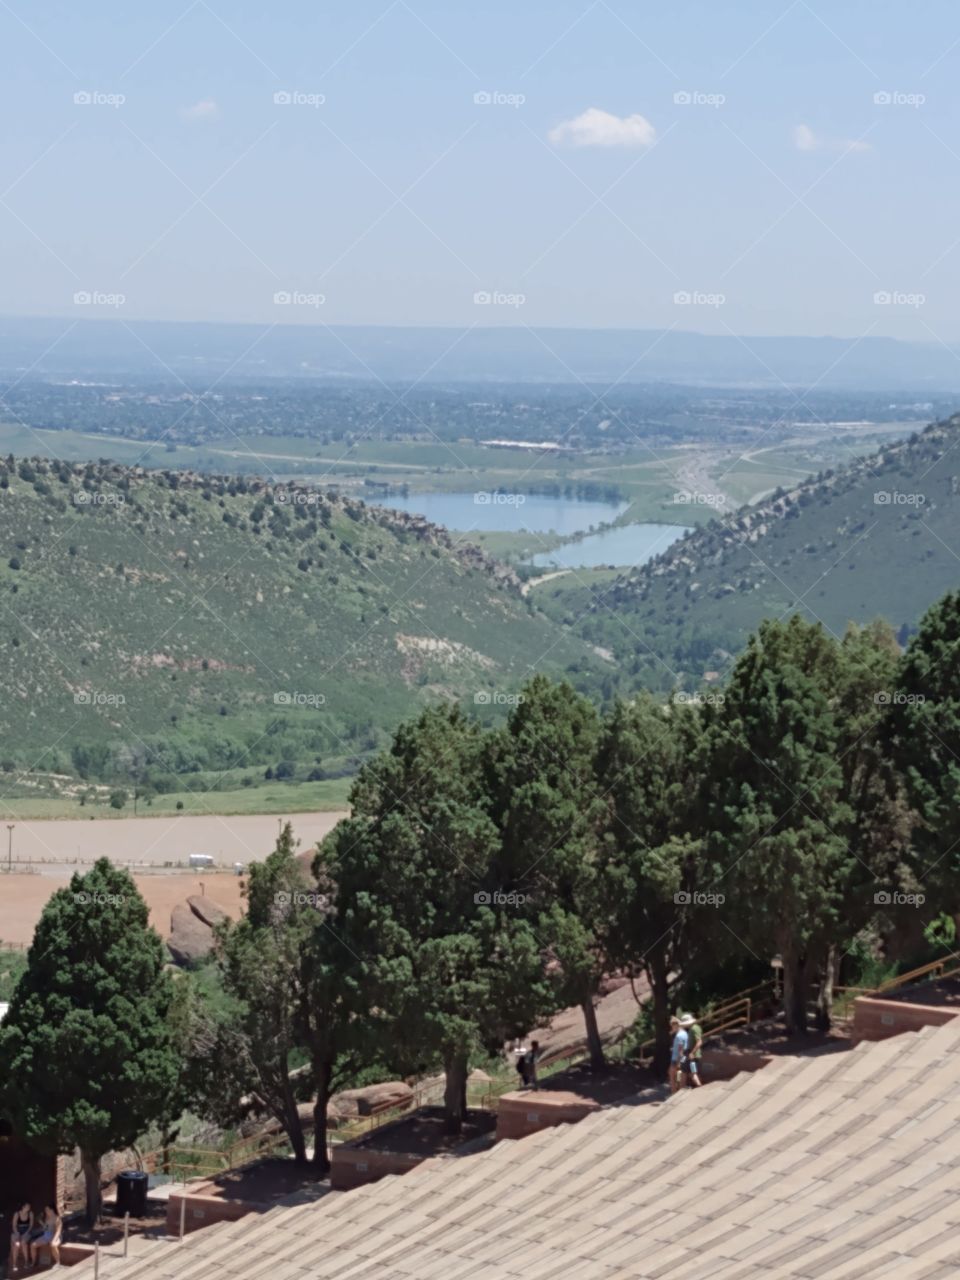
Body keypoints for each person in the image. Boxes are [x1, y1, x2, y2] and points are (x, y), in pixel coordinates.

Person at [29, 1203, 61, 1270]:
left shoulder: (57, 1219)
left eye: (47, 1209)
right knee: (32, 1245)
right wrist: (41, 1222)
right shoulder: (47, 1217)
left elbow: (58, 1231)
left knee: (53, 1245)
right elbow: (46, 1228)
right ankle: (33, 1262)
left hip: (56, 1236)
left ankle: (58, 1263)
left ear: (51, 1210)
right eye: (45, 1209)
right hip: (46, 1235)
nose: (45, 1211)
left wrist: (53, 1240)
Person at [680, 1012, 703, 1088]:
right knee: (690, 1071)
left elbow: (699, 1042)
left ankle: (683, 1087)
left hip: (691, 1055)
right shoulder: (692, 1028)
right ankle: (698, 1085)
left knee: (686, 1071)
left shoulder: (694, 1028)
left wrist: (692, 1053)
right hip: (691, 1055)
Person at [9, 1202, 33, 1274]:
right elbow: (14, 1225)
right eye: (27, 1206)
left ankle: (26, 1262)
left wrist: (26, 1233)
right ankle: (14, 1264)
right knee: (16, 1245)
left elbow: (31, 1225)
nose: (29, 1208)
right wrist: (17, 1233)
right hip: (17, 1231)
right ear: (23, 1207)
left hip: (26, 1231)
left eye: (29, 1206)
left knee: (23, 1243)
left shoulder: (30, 1213)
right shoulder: (17, 1214)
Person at [669, 1015, 689, 1093]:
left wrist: (678, 1062)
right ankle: (681, 1089)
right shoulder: (685, 1033)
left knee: (672, 1077)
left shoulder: (678, 1036)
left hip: (676, 1058)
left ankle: (674, 1092)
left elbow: (680, 1049)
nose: (672, 1028)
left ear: (675, 1025)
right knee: (680, 1074)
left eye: (672, 1026)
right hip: (684, 1056)